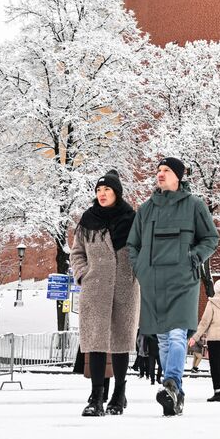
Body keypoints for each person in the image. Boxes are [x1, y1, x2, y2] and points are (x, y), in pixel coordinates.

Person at [125, 157, 219, 417]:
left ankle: (171, 383)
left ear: (179, 176)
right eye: (158, 171)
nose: (160, 174)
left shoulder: (194, 206)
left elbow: (211, 238)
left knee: (177, 334)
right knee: (164, 339)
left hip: (182, 280)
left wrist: (193, 257)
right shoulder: (146, 209)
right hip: (153, 280)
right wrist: (140, 266)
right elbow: (132, 244)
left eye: (166, 170)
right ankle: (176, 395)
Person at [71, 169, 140, 417]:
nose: (102, 194)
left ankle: (119, 393)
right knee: (96, 340)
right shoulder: (88, 220)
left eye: (107, 190)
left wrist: (135, 274)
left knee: (121, 339)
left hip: (124, 286)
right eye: (99, 190)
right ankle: (96, 396)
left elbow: (141, 250)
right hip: (95, 286)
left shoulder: (131, 219)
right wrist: (83, 274)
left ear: (116, 193)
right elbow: (76, 252)